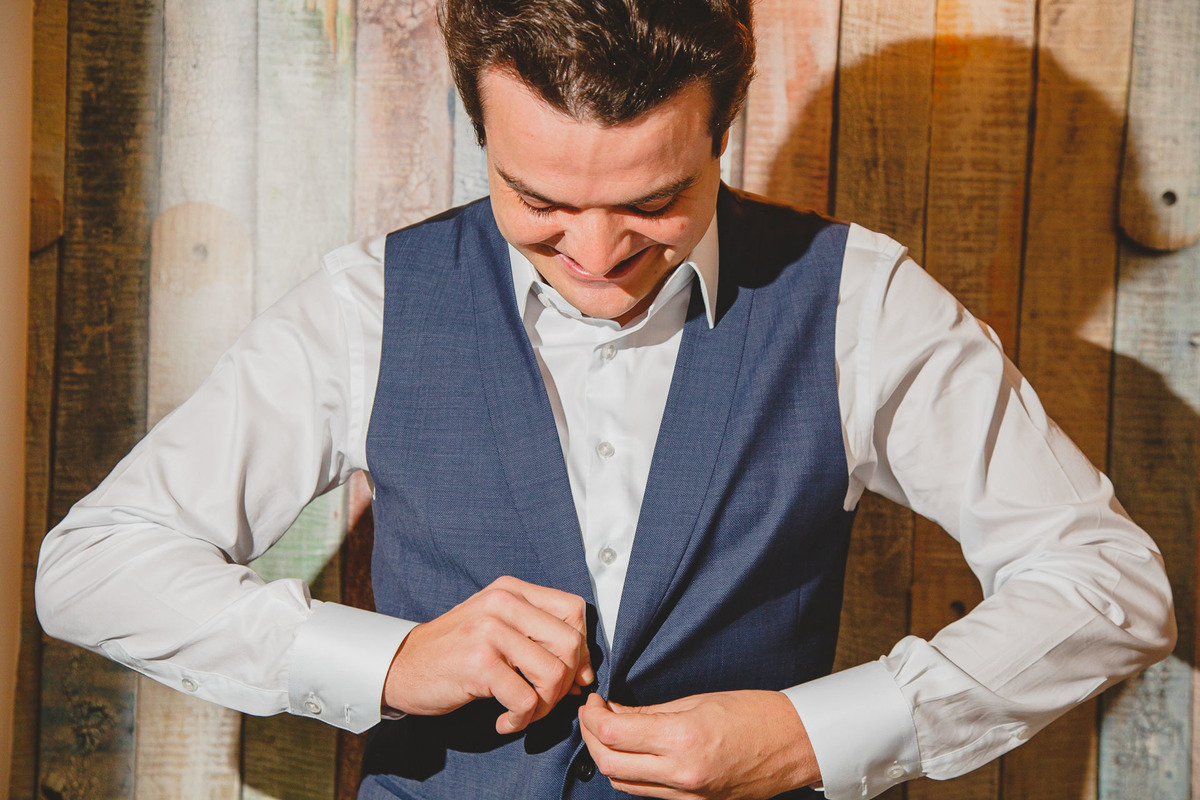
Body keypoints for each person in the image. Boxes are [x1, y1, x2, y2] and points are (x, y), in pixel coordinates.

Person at [36, 1, 1175, 799]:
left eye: (653, 200)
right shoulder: (368, 303)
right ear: (479, 129)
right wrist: (386, 661)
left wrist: (811, 734)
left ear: (722, 128)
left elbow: (1109, 582)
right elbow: (94, 566)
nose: (594, 253)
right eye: (537, 201)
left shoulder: (860, 301)